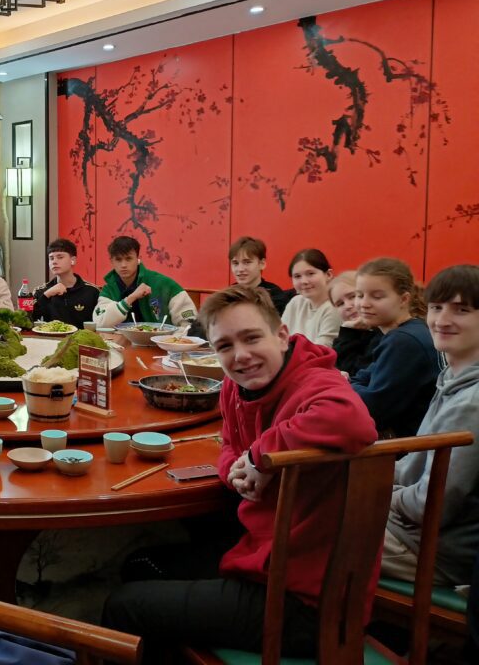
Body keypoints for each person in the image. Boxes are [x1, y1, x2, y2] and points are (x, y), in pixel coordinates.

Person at [103, 284, 377, 660]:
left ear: (282, 335)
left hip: (306, 601)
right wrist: (236, 467)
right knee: (140, 566)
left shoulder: (315, 381)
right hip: (264, 554)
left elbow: (353, 420)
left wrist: (261, 455)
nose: (242, 356)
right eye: (225, 346)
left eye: (251, 338)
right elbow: (229, 443)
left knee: (125, 605)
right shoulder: (235, 386)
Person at [383, 264, 479, 588]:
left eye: (461, 310)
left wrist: (377, 495)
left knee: (302, 533)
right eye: (437, 307)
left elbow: (432, 505)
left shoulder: (472, 401)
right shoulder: (451, 379)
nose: (442, 320)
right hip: (413, 533)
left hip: (435, 553)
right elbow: (412, 467)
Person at [350, 258, 440, 438]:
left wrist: (342, 384)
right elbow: (363, 377)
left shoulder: (403, 341)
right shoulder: (400, 334)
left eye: (377, 296)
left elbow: (372, 408)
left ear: (404, 299)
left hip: (405, 450)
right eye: (359, 295)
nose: (364, 303)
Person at [93, 235, 197, 328]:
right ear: (112, 261)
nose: (123, 265)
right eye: (118, 259)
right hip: (121, 345)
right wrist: (131, 298)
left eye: (128, 259)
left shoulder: (163, 284)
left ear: (138, 259)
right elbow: (100, 322)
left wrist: (172, 340)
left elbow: (189, 321)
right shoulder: (109, 290)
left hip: (161, 344)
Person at [32, 238, 101, 329]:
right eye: (51, 258)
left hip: (81, 341)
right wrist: (47, 295)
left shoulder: (92, 291)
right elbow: (28, 321)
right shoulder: (41, 291)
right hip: (50, 340)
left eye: (60, 257)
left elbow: (100, 322)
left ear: (73, 260)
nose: (54, 261)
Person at [280, 249, 341, 347]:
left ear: (328, 275)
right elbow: (278, 339)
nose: (304, 281)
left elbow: (321, 351)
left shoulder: (335, 307)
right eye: (297, 276)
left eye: (311, 274)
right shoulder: (295, 302)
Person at [328, 271, 380, 376]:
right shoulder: (347, 335)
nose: (347, 306)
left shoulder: (383, 333)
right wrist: (348, 331)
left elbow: (355, 375)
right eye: (340, 304)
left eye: (352, 296)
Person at [228, 235, 293, 316]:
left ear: (262, 264)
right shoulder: (227, 295)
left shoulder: (275, 296)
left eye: (247, 262)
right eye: (235, 263)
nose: (240, 269)